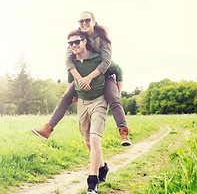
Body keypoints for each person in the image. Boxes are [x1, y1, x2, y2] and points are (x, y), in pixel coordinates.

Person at [32, 11, 131, 146]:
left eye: (87, 20)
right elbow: (69, 63)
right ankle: (48, 129)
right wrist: (75, 86)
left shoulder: (102, 39)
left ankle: (124, 132)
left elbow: (108, 64)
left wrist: (118, 91)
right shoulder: (75, 39)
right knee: (65, 97)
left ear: (94, 22)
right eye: (81, 21)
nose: (84, 23)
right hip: (81, 76)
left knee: (114, 99)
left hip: (104, 74)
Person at [68, 30, 109, 193]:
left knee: (94, 138)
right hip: (82, 103)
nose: (73, 46)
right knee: (87, 141)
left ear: (85, 41)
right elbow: (70, 80)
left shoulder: (98, 57)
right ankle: (103, 167)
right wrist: (72, 95)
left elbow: (116, 68)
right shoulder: (72, 63)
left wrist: (117, 93)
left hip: (99, 100)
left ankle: (93, 181)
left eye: (76, 42)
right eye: (70, 43)